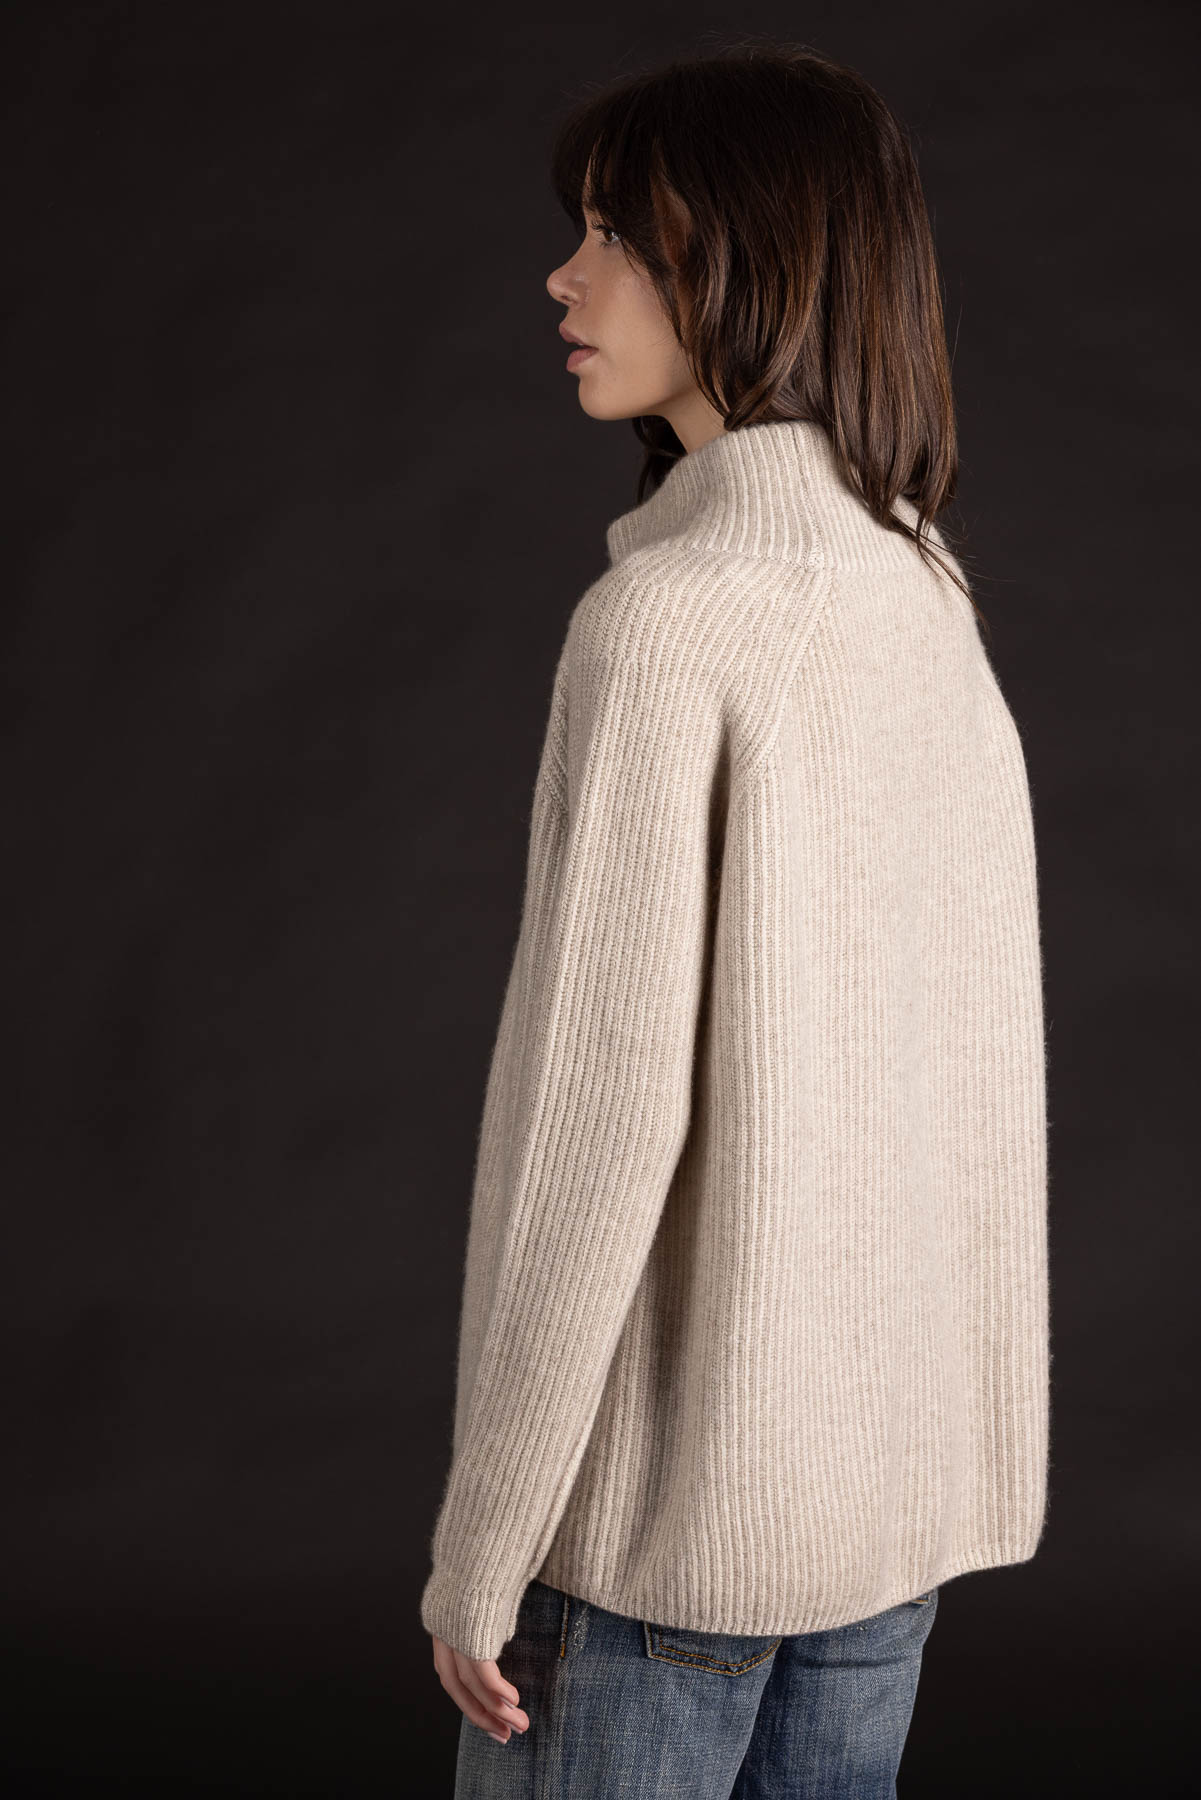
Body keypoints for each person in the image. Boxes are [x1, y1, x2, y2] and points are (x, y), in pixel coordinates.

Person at [421, 38, 1050, 1800]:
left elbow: (596, 1127)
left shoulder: (666, 625)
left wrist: (485, 1540)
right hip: (883, 1534)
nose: (564, 278)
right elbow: (969, 1080)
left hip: (657, 1551)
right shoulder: (921, 590)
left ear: (754, 263)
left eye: (616, 234)